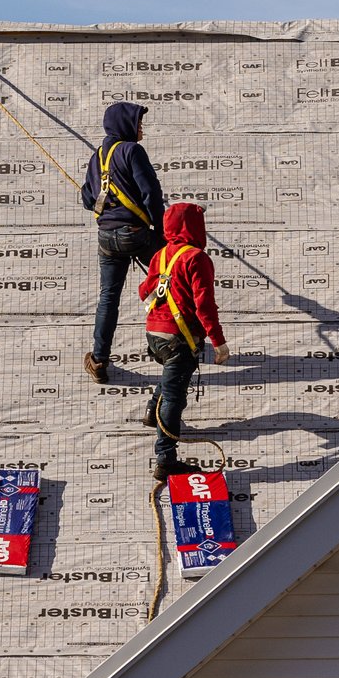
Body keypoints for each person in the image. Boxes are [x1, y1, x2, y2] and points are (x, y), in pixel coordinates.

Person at [137, 201, 229, 479]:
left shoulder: (161, 255)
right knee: (175, 397)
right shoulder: (197, 258)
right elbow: (204, 306)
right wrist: (218, 341)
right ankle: (166, 459)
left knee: (171, 377)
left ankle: (152, 412)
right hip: (180, 337)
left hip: (155, 333)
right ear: (195, 226)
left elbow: (145, 292)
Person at [81, 101, 165, 383]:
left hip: (107, 237)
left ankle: (99, 359)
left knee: (109, 297)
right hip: (136, 233)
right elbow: (151, 193)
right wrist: (162, 233)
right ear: (124, 124)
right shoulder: (132, 151)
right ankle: (170, 344)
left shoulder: (97, 157)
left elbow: (87, 199)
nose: (141, 127)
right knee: (170, 281)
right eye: (138, 122)